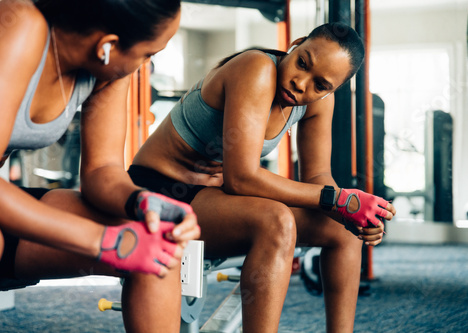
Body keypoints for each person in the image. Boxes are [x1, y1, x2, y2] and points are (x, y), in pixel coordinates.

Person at [130, 22, 397, 333]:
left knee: (344, 228)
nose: (301, 83)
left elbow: (318, 176)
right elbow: (241, 178)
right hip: (158, 189)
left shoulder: (318, 102)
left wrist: (354, 211)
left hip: (213, 196)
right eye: (302, 63)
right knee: (276, 221)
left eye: (321, 84)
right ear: (296, 44)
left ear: (332, 90)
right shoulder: (256, 68)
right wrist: (338, 199)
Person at [0, 1, 201, 332]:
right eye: (149, 53)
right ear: (108, 45)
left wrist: (140, 201)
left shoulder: (109, 69)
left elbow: (101, 170)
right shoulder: (20, 25)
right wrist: (104, 241)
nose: (148, 63)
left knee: (156, 244)